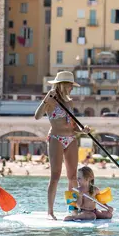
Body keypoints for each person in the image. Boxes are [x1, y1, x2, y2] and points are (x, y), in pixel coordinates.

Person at [34, 71, 87, 219]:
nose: (72, 88)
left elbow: (73, 125)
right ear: (63, 85)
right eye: (70, 85)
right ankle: (50, 211)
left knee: (73, 177)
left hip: (71, 138)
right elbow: (37, 116)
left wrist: (82, 130)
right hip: (56, 138)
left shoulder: (70, 102)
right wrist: (46, 99)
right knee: (55, 176)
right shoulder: (50, 100)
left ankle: (72, 208)